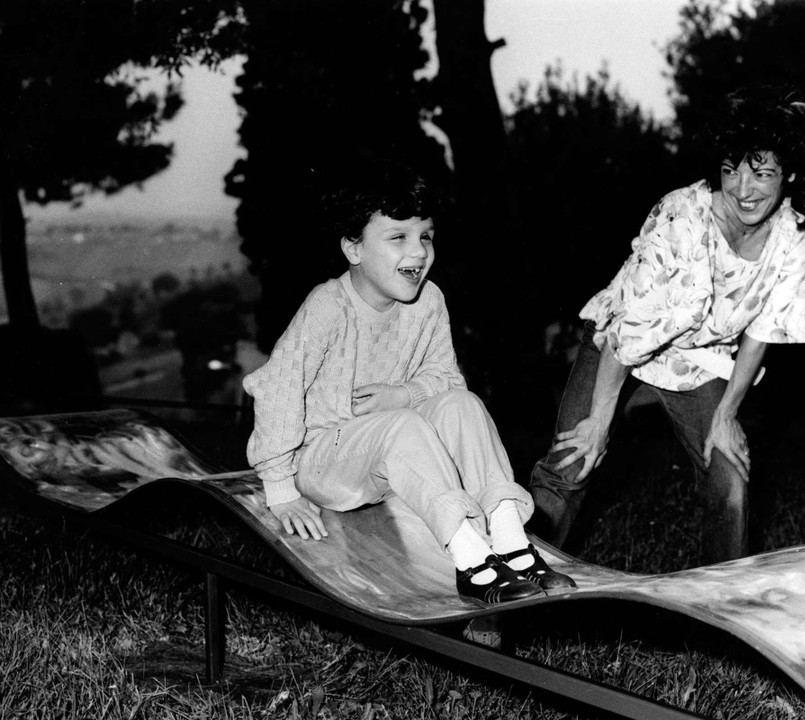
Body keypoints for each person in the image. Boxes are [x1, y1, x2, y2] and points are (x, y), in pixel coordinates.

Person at [243, 160, 575, 606]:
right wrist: (280, 490)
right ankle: (472, 563)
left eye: (426, 236)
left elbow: (444, 376)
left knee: (462, 403)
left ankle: (513, 546)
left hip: (397, 455)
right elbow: (278, 387)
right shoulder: (327, 307)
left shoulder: (428, 301)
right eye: (398, 238)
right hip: (323, 460)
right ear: (353, 248)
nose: (418, 252)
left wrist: (405, 394)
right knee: (403, 424)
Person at [528, 85, 805, 564]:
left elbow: (766, 327)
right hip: (618, 341)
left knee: (729, 473)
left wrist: (726, 414)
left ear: (789, 173)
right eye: (731, 171)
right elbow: (628, 332)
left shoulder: (794, 228)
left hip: (696, 357)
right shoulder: (682, 216)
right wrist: (600, 423)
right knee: (573, 462)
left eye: (762, 173)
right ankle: (504, 599)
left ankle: (722, 616)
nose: (743, 190)